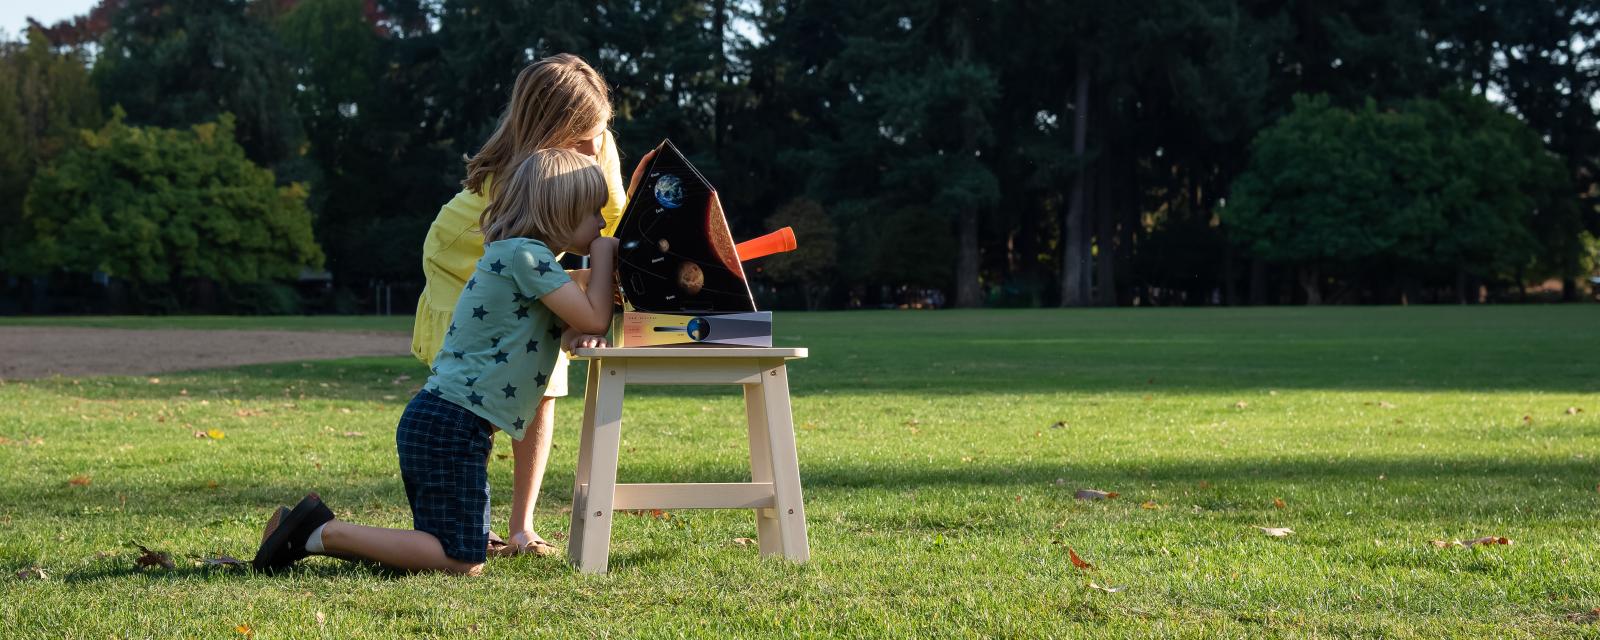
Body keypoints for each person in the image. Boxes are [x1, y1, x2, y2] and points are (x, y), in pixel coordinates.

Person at [253, 149, 618, 574]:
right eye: (592, 212)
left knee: (447, 548)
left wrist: (581, 334)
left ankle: (309, 531)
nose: (601, 223)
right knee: (463, 560)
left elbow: (571, 325)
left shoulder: (523, 259)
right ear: (559, 212)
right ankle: (319, 531)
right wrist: (604, 254)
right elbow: (593, 313)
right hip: (450, 427)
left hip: (445, 423)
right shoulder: (527, 257)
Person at [411, 53, 635, 557]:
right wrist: (577, 310)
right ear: (547, 126)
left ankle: (521, 527)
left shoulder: (598, 144)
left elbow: (614, 225)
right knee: (475, 386)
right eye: (579, 137)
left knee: (546, 382)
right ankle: (461, 517)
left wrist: (588, 314)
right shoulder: (520, 167)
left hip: (533, 263)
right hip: (467, 251)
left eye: (598, 133)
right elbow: (546, 254)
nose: (592, 147)